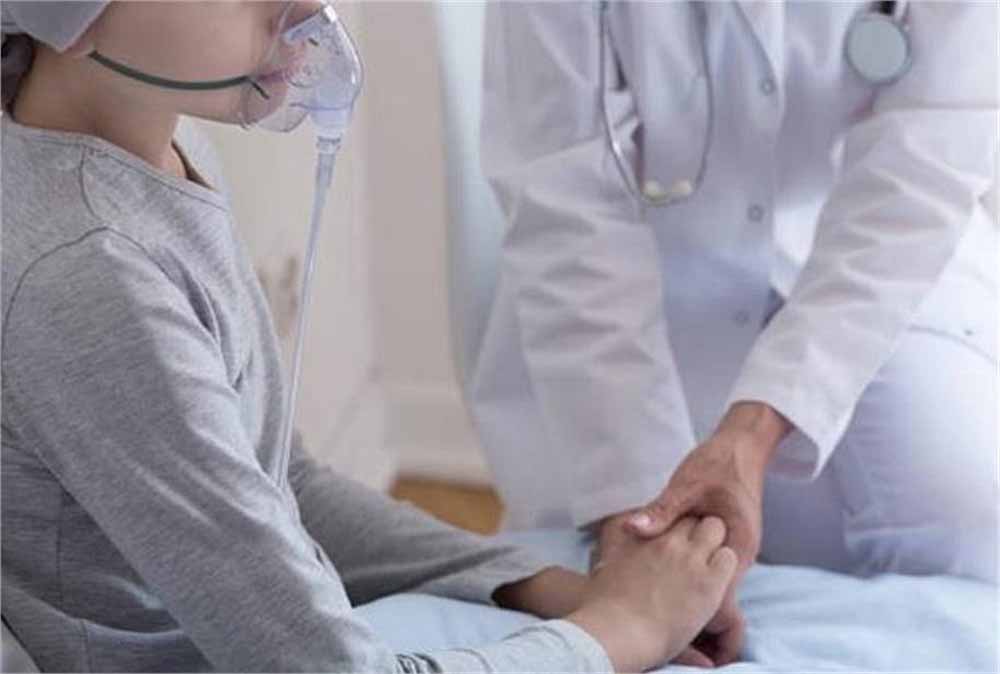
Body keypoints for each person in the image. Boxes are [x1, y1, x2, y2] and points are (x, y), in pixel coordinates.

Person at [0, 2, 739, 672]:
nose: (303, 9)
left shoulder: (156, 146)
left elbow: (280, 485)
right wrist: (622, 632)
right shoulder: (92, 272)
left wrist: (545, 586)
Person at [473, 1, 998, 666]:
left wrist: (751, 436)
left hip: (865, 254)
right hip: (634, 289)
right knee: (654, 563)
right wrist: (640, 511)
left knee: (970, 525)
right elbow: (567, 205)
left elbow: (925, 159)